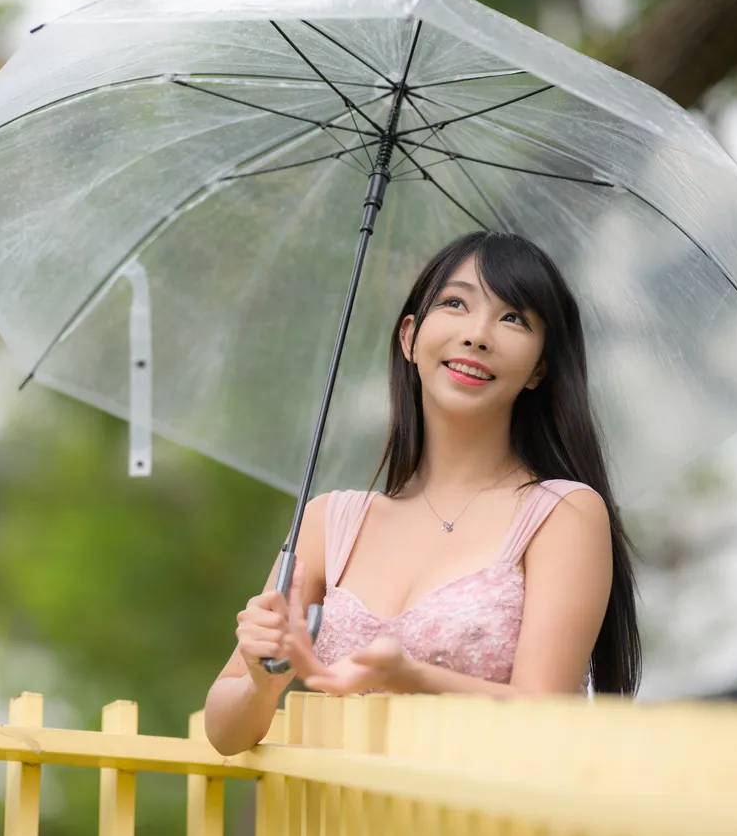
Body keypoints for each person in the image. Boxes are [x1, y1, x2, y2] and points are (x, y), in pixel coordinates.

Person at [203, 230, 641, 756]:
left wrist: (414, 677)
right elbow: (225, 734)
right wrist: (261, 676)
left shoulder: (561, 513)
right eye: (456, 303)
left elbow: (545, 715)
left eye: (513, 318)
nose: (477, 335)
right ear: (409, 337)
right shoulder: (330, 522)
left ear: (539, 369)